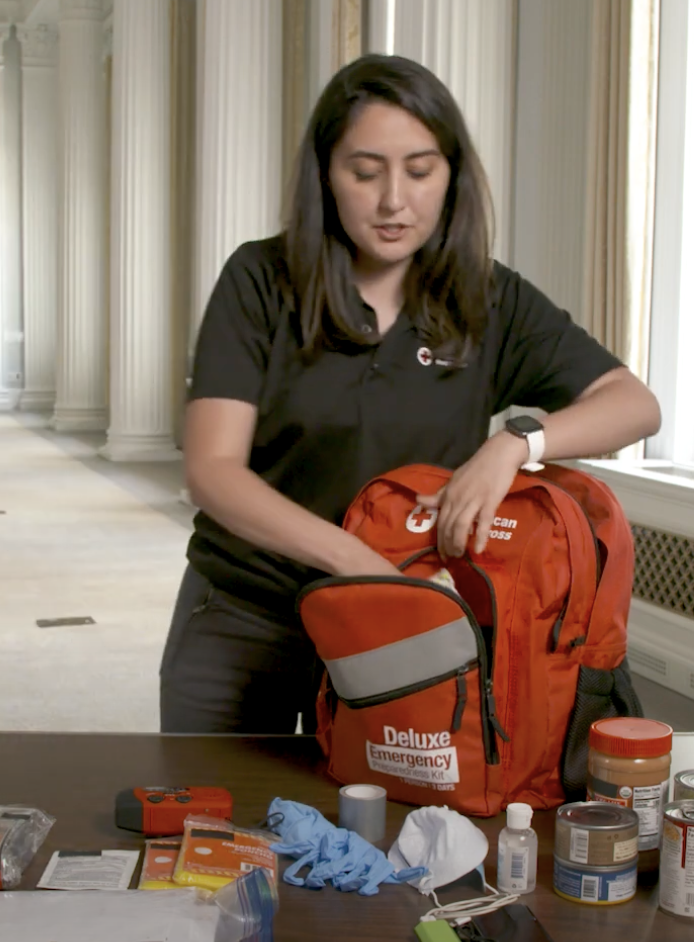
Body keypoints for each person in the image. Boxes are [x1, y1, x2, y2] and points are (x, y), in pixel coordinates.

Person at [162, 54, 661, 735]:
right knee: (218, 826)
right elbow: (212, 470)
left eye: (420, 171)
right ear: (325, 175)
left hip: (402, 623)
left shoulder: (489, 298)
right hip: (248, 612)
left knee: (387, 831)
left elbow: (633, 403)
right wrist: (361, 566)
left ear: (451, 176)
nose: (394, 199)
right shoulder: (260, 280)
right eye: (365, 172)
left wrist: (515, 445)